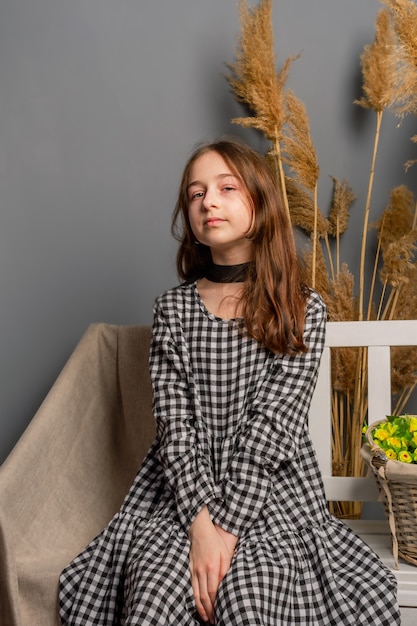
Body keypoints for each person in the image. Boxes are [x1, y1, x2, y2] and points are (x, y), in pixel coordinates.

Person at [59, 137, 400, 625]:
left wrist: (228, 528)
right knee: (157, 591)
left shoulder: (302, 309)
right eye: (195, 194)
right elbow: (174, 427)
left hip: (272, 496)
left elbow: (273, 426)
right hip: (180, 496)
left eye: (226, 188)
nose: (208, 202)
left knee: (248, 599)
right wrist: (201, 525)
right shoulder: (173, 310)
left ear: (260, 203)